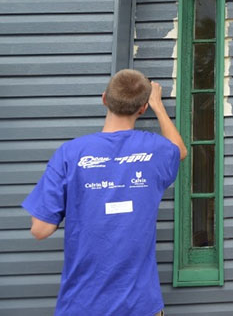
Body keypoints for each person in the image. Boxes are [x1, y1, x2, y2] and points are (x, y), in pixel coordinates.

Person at [22, 69, 187, 316]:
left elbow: (40, 229)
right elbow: (180, 150)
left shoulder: (70, 154)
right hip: (140, 307)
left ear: (104, 99)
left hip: (82, 307)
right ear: (142, 110)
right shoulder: (156, 150)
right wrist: (158, 106)